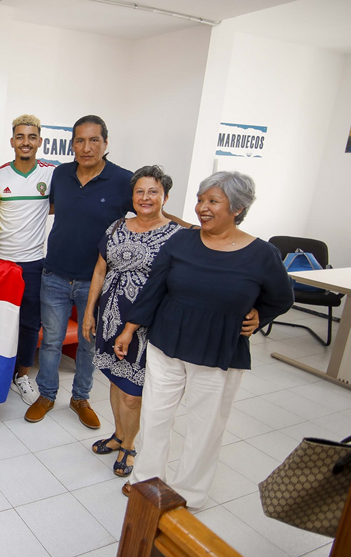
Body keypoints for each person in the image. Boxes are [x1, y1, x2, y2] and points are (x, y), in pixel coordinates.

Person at [114, 171, 293, 507]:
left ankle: (189, 496)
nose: (202, 208)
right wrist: (129, 329)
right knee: (155, 419)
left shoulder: (262, 254)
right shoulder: (181, 241)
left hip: (218, 352)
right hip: (167, 345)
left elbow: (282, 297)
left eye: (213, 201)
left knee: (204, 429)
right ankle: (145, 483)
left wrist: (258, 316)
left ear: (237, 208)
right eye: (200, 200)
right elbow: (154, 290)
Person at [27, 115, 133, 428]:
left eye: (94, 140)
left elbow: (151, 214)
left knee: (89, 344)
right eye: (80, 141)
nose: (86, 147)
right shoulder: (60, 174)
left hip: (96, 281)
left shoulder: (123, 180)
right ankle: (46, 394)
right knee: (51, 342)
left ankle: (80, 397)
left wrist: (192, 231)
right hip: (55, 275)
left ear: (106, 143)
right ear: (72, 144)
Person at [82, 166, 182, 478]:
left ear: (165, 196)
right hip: (110, 317)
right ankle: (118, 435)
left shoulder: (176, 236)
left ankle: (129, 446)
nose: (145, 197)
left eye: (153, 191)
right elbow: (100, 270)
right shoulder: (116, 227)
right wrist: (89, 311)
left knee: (132, 392)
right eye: (140, 191)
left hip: (146, 323)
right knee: (113, 379)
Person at [0, 115, 55, 406]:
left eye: (31, 137)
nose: (25, 142)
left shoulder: (52, 174)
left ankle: (22, 375)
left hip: (33, 263)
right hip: (0, 262)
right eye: (20, 136)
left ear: (39, 141)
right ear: (12, 141)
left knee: (30, 323)